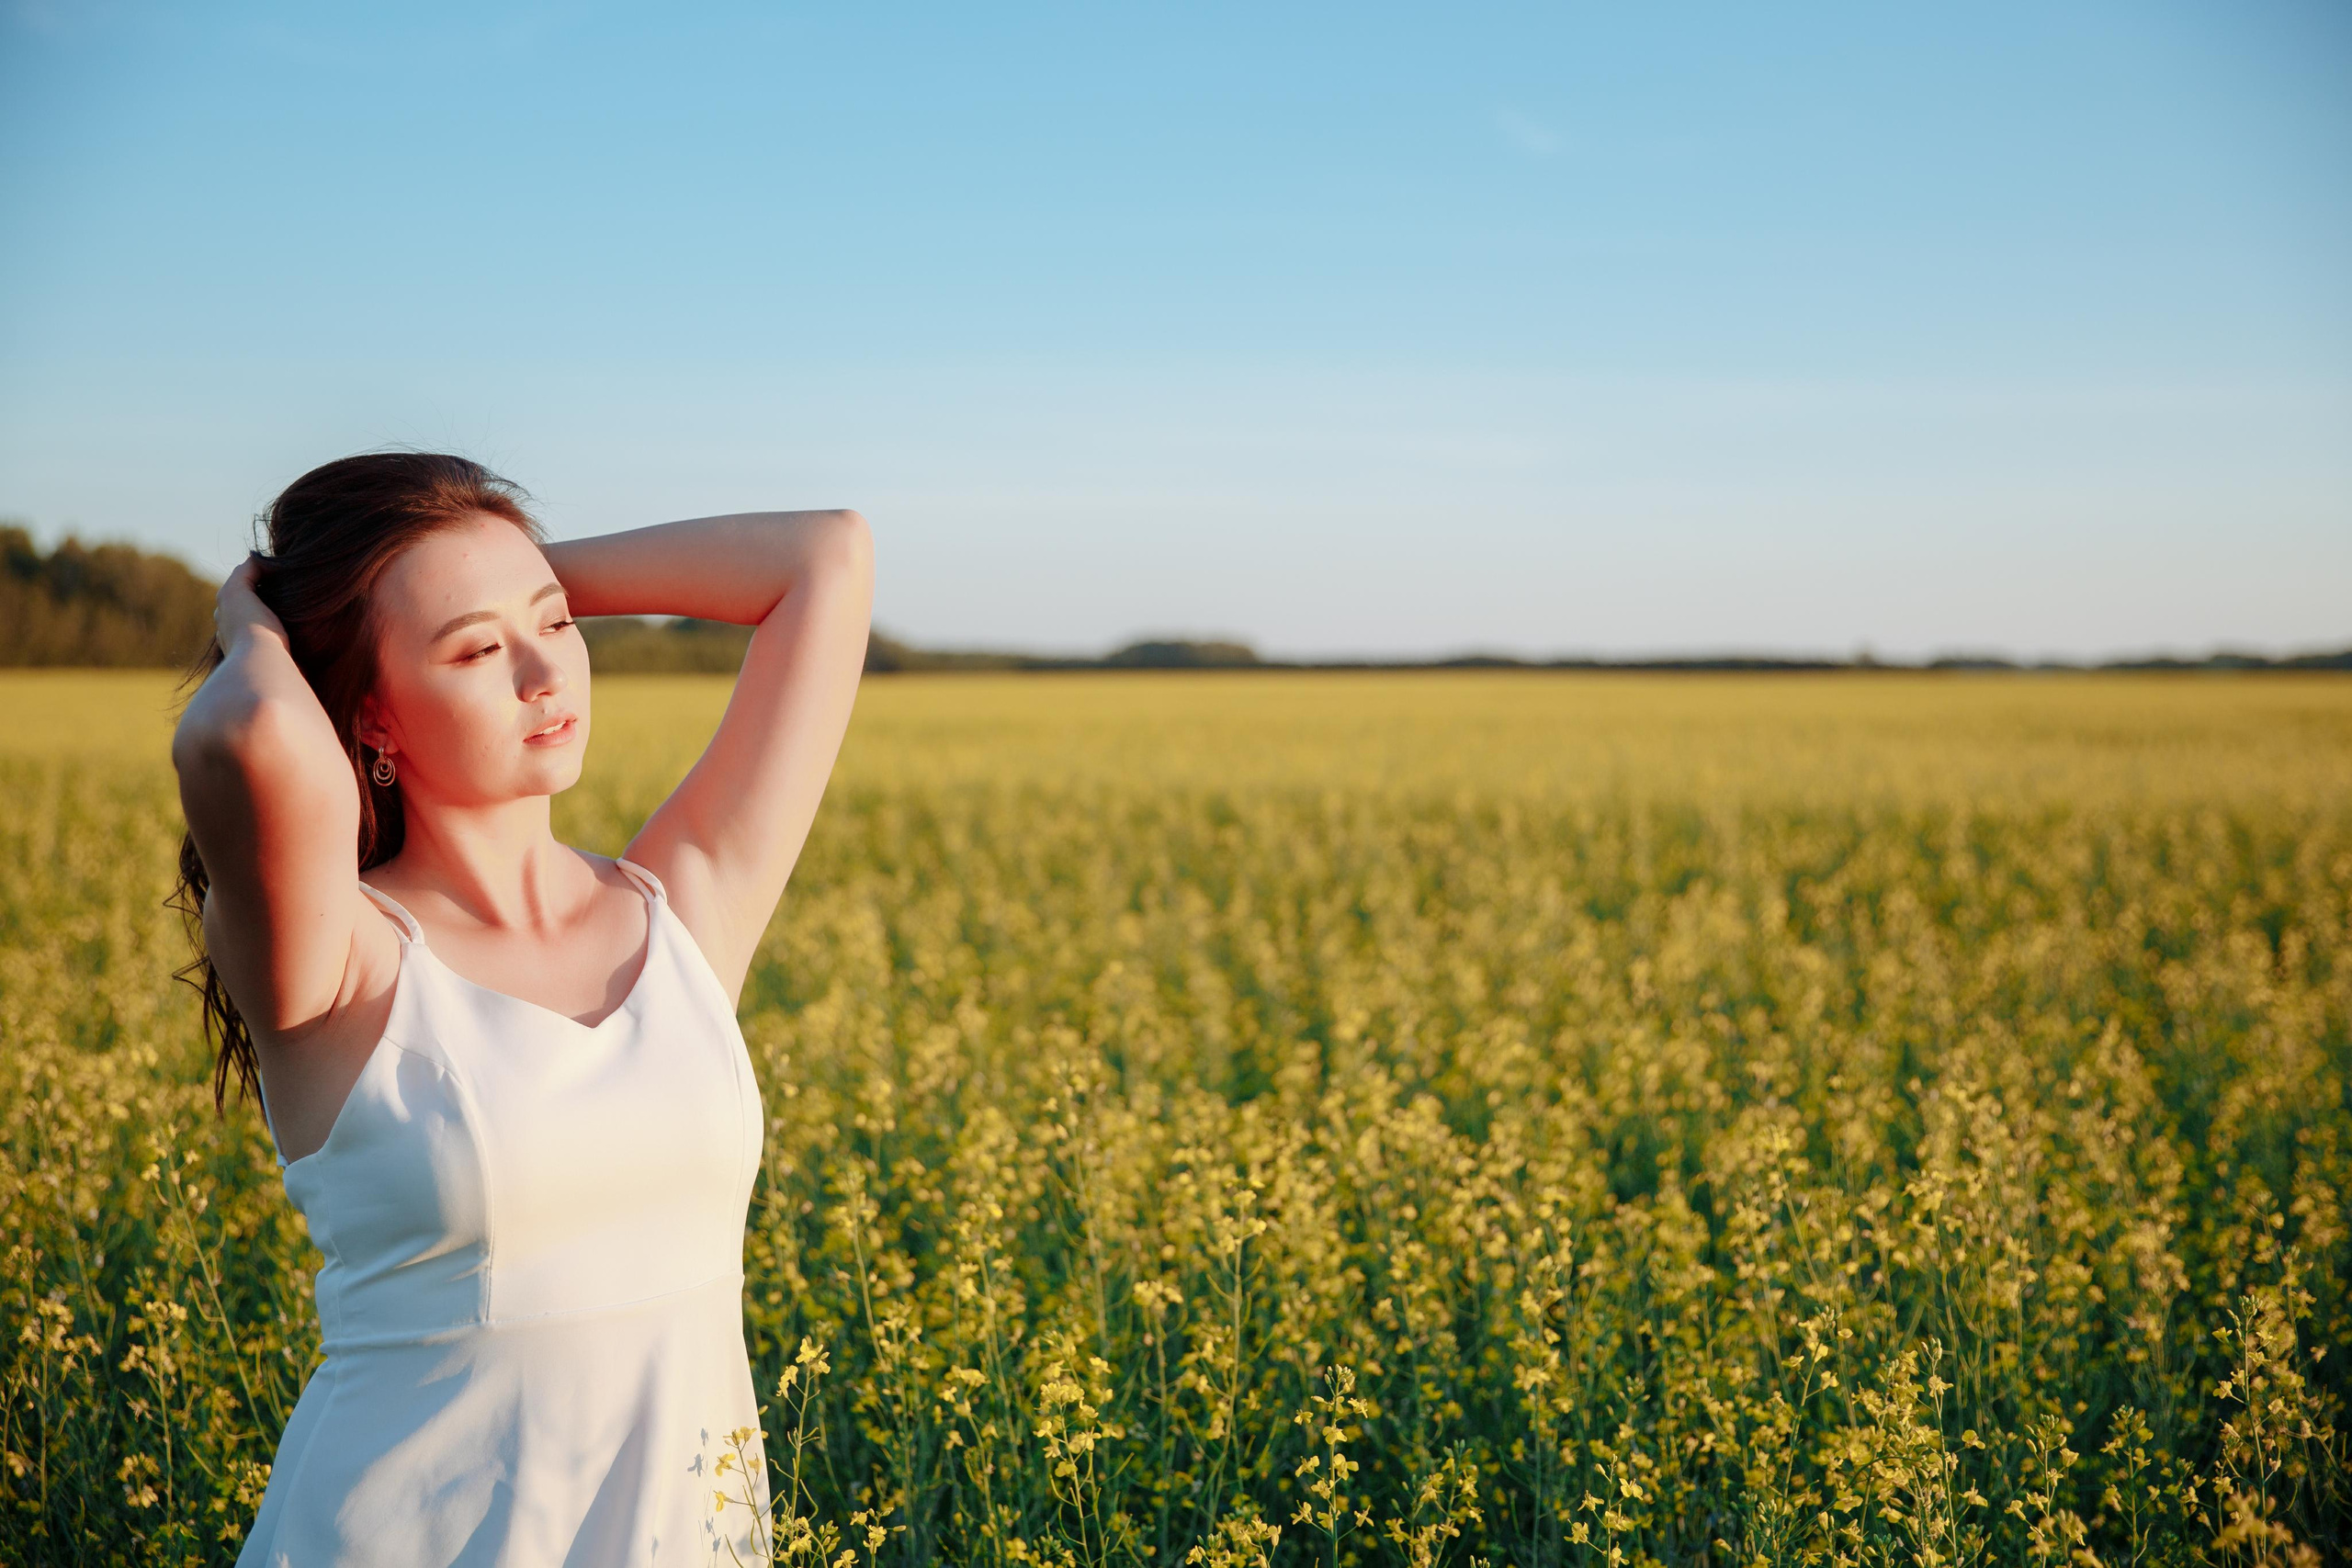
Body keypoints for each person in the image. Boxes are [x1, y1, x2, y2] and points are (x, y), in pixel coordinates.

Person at [170, 452, 874, 1565]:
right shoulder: (338, 964)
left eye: (556, 626)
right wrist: (254, 621)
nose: (546, 673)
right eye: (478, 651)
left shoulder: (681, 909)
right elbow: (243, 740)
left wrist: (503, 581)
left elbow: (824, 557)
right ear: (369, 717)